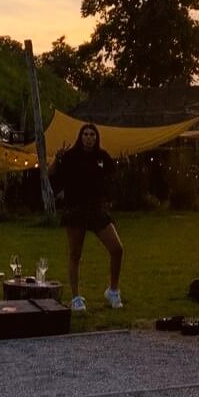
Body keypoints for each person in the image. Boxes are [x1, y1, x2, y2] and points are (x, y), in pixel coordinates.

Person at [50, 123, 124, 311]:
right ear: (80, 137)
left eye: (92, 134)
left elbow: (112, 176)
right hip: (76, 210)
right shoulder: (71, 156)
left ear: (96, 137)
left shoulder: (102, 156)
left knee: (117, 248)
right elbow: (51, 175)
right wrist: (56, 159)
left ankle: (113, 290)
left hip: (97, 210)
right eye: (85, 134)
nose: (89, 137)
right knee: (75, 254)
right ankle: (76, 298)